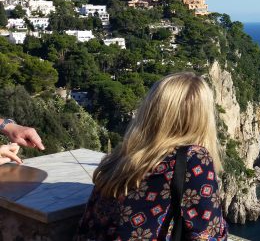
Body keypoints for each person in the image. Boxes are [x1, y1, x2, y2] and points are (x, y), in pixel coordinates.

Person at [75, 72, 228, 240]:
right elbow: (208, 233)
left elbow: (86, 226)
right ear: (203, 118)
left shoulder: (118, 158)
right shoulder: (193, 159)